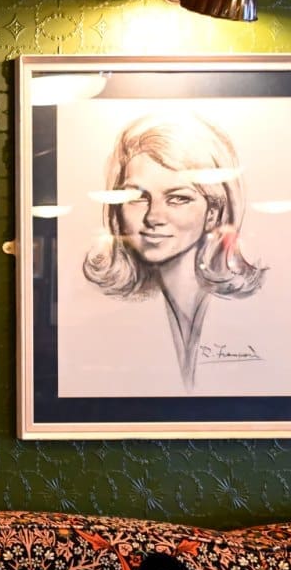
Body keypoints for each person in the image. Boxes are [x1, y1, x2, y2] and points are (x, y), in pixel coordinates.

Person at [82, 113, 267, 392]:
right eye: (137, 198)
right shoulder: (103, 327)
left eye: (178, 198)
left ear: (213, 213)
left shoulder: (259, 317)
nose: (153, 216)